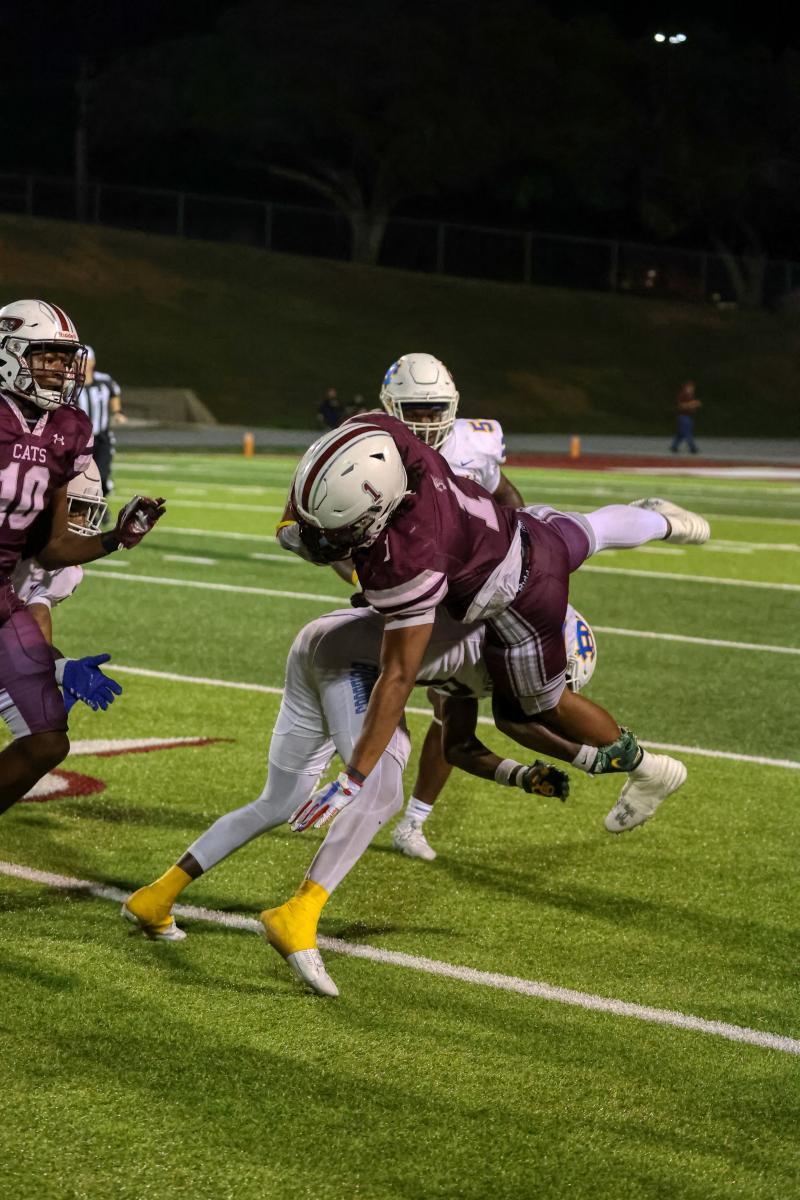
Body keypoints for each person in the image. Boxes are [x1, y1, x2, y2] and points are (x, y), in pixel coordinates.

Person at [282, 415, 708, 842]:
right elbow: (340, 453)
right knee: (595, 528)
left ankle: (648, 769)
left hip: (520, 598)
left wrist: (354, 776)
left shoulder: (415, 559)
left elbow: (397, 676)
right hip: (526, 528)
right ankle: (662, 522)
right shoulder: (393, 441)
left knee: (542, 706)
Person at [120, 605, 573, 991]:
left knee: (281, 800)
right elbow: (405, 685)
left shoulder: (494, 640)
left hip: (322, 640)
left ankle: (156, 897)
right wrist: (355, 777)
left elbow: (456, 744)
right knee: (382, 790)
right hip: (355, 661)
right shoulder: (488, 642)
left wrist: (520, 775)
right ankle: (298, 914)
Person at [0, 298, 166, 816]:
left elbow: (54, 548)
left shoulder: (67, 427)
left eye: (65, 359)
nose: (60, 370)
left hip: (2, 594)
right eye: (46, 356)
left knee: (47, 741)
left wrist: (117, 537)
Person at [379, 352, 524, 858]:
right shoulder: (374, 447)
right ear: (391, 406)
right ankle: (334, 778)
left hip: (460, 592)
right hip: (402, 586)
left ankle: (412, 822)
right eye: (414, 409)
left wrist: (517, 555)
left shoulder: (473, 444)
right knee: (373, 685)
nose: (424, 419)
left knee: (452, 702)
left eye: (434, 408)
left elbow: (509, 498)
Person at [75, 346, 123, 498]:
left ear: (92, 362)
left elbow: (115, 393)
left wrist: (117, 412)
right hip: (79, 439)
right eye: (79, 359)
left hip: (102, 437)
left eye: (85, 360)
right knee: (79, 478)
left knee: (102, 476)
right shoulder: (70, 383)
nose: (82, 363)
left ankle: (101, 502)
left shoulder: (104, 381)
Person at [670, 380, 701, 454]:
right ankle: (692, 448)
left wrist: (695, 405)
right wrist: (692, 404)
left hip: (689, 416)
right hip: (683, 416)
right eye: (690, 387)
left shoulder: (691, 396)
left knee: (680, 433)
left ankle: (674, 446)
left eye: (692, 387)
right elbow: (681, 406)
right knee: (688, 432)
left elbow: (693, 406)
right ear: (686, 387)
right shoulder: (683, 395)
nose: (692, 389)